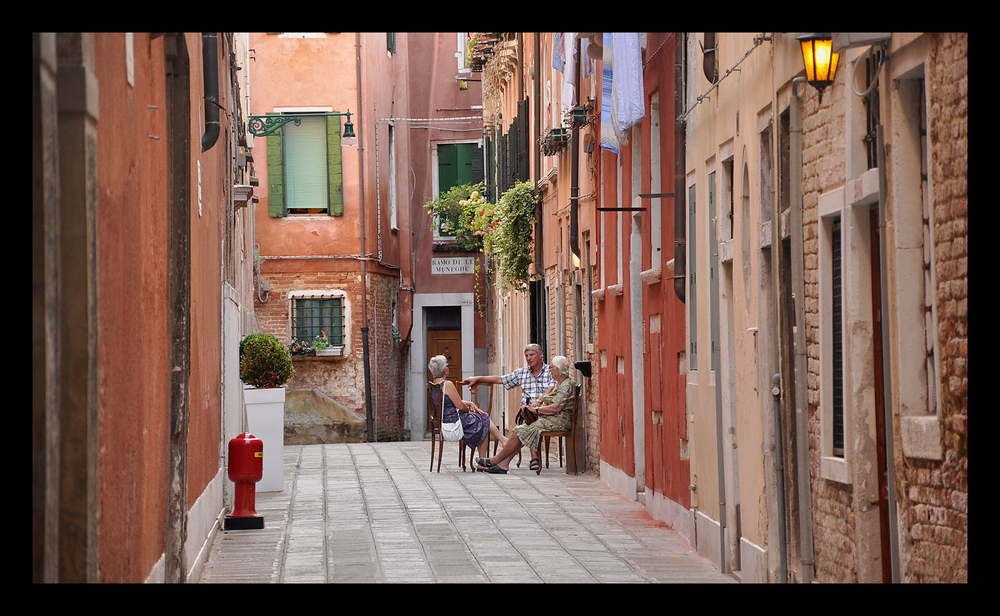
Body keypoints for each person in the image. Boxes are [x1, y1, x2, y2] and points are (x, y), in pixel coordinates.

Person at [474, 355, 575, 474]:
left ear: (557, 370)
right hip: (553, 420)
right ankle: (503, 464)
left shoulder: (565, 386)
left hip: (558, 422)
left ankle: (496, 460)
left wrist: (536, 410)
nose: (550, 369)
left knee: (520, 431)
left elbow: (555, 408)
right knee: (520, 430)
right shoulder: (562, 384)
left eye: (552, 367)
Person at [428, 355, 507, 464]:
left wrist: (469, 403)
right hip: (454, 421)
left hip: (444, 420)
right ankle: (496, 447)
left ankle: (501, 443)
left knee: (482, 420)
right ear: (445, 370)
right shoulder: (447, 384)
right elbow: (460, 406)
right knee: (483, 419)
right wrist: (468, 409)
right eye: (447, 366)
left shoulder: (433, 385)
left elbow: (446, 402)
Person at [463, 343, 556, 411]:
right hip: (527, 413)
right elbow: (501, 379)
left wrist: (538, 402)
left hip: (545, 411)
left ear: (540, 355)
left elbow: (552, 388)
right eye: (526, 356)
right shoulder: (522, 373)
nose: (528, 358)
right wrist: (478, 378)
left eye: (532, 355)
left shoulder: (550, 371)